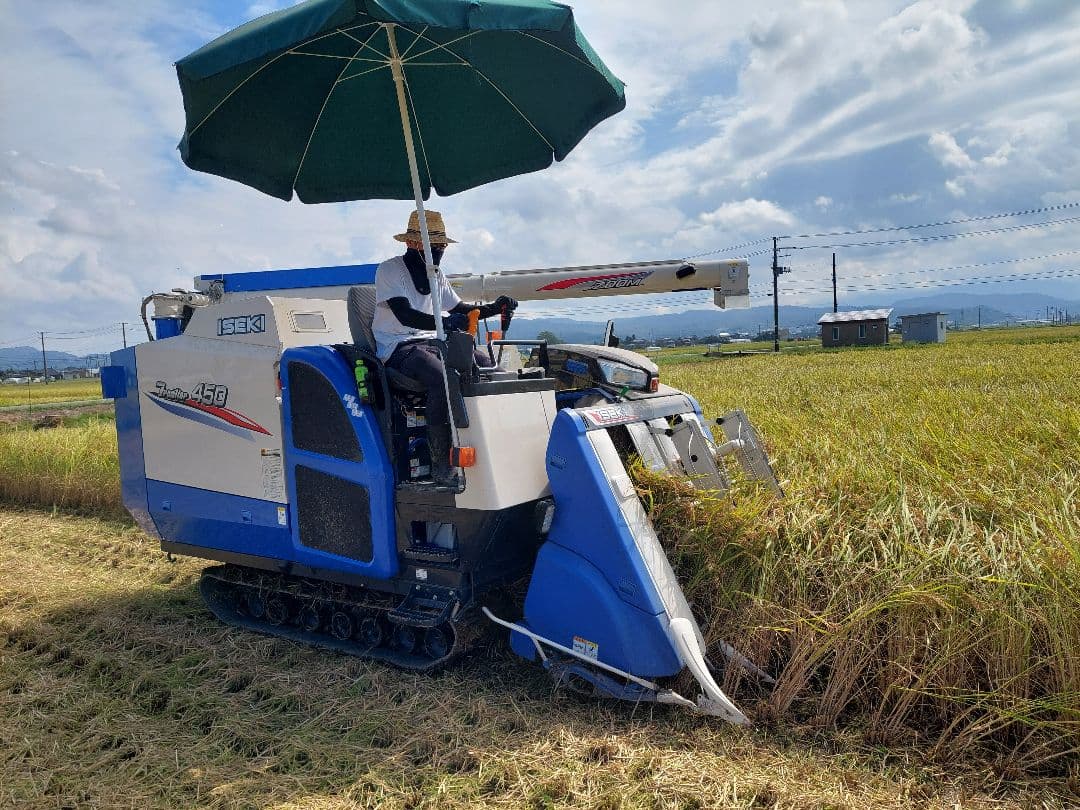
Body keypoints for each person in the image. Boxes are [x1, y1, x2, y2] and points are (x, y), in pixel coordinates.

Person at [372, 209, 517, 486]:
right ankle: (442, 466)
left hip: (433, 342)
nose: (439, 252)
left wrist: (492, 308)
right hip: (399, 347)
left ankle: (491, 447)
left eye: (441, 247)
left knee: (487, 367)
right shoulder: (390, 270)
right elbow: (405, 315)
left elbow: (459, 309)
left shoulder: (435, 274)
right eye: (434, 246)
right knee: (442, 378)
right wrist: (449, 323)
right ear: (413, 244)